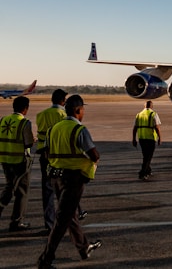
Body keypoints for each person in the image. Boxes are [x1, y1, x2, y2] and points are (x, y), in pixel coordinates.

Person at [37, 95, 102, 269]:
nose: (84, 113)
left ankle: (83, 248)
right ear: (77, 110)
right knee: (61, 221)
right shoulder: (79, 130)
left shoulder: (53, 129)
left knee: (70, 215)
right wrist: (90, 165)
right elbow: (94, 154)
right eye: (83, 110)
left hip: (56, 178)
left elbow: (46, 154)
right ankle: (45, 259)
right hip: (73, 180)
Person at [35, 89, 67, 234]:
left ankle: (49, 223)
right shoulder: (63, 115)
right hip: (59, 156)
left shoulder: (41, 115)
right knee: (64, 189)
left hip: (44, 155)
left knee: (47, 190)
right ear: (62, 101)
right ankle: (66, 220)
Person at [0, 96, 34, 231]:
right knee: (21, 191)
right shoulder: (24, 122)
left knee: (9, 186)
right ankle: (16, 221)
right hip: (19, 161)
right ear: (25, 109)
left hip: (5, 159)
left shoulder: (3, 120)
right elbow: (28, 142)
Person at [132, 100, 162, 180]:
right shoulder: (153, 114)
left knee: (145, 155)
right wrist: (160, 138)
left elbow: (135, 128)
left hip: (141, 138)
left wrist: (134, 139)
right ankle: (143, 173)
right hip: (150, 138)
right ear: (152, 106)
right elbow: (157, 127)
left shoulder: (139, 115)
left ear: (144, 106)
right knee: (148, 156)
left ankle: (148, 170)